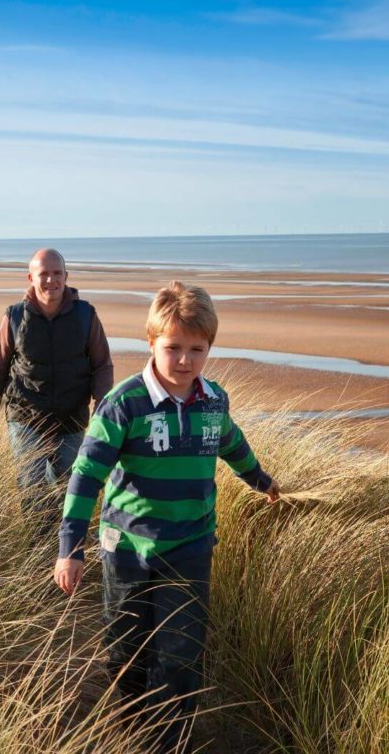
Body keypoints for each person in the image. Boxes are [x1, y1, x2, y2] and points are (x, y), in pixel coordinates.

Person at [52, 281, 280, 752]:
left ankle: (167, 741)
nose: (184, 360)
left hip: (191, 546)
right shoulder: (124, 404)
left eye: (197, 349)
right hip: (127, 550)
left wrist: (259, 480)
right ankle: (132, 728)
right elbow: (86, 475)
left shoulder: (214, 400)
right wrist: (69, 548)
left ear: (209, 348)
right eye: (173, 347)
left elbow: (231, 443)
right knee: (128, 653)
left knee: (181, 655)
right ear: (151, 343)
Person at [0, 248, 113, 526]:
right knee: (33, 491)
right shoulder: (15, 317)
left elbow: (102, 365)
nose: (50, 280)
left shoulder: (85, 315)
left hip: (71, 421)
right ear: (31, 278)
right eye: (43, 274)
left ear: (66, 277)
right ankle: (37, 554)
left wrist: (101, 411)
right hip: (25, 419)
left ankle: (65, 550)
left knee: (72, 491)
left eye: (57, 274)